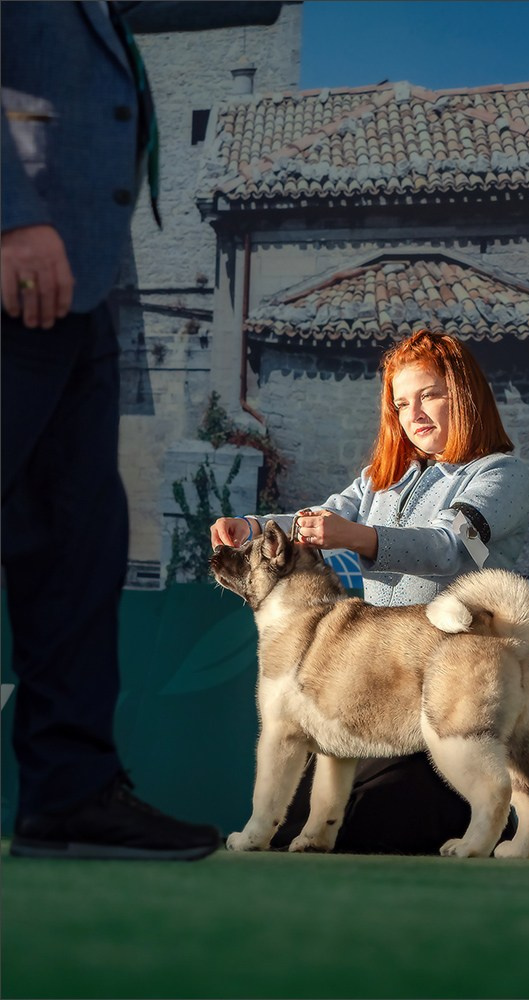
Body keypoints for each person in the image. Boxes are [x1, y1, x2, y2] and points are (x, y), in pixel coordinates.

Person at [1, 0, 282, 860]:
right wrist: (12, 214)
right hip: (19, 263)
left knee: (77, 546)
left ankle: (71, 794)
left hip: (76, 293)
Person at [210, 328, 529, 854]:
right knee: (297, 833)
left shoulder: (502, 474)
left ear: (466, 395)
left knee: (379, 826)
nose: (415, 413)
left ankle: (488, 817)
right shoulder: (380, 479)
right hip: (371, 697)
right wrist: (249, 527)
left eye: (430, 394)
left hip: (454, 685)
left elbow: (449, 547)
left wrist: (355, 538)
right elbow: (317, 518)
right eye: (402, 403)